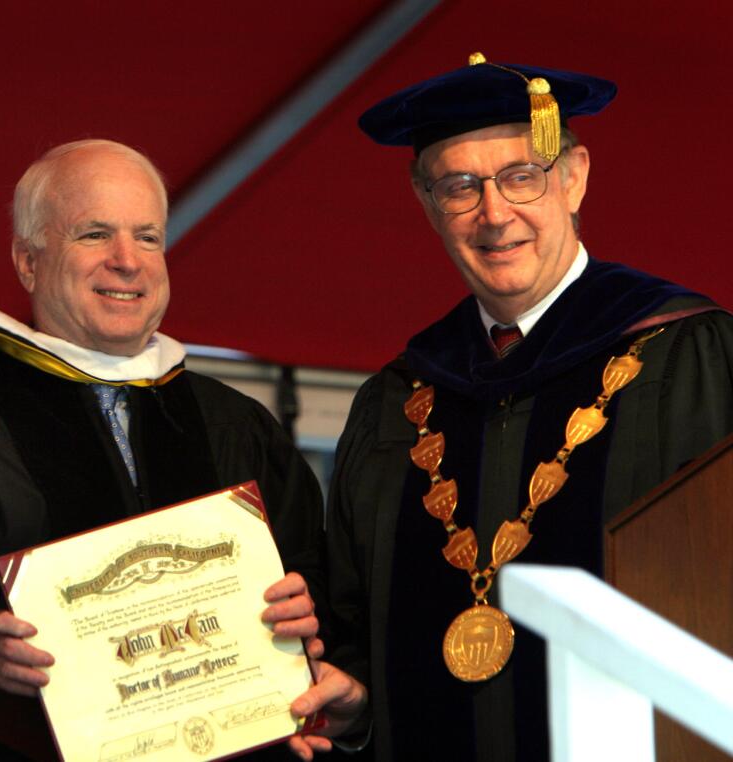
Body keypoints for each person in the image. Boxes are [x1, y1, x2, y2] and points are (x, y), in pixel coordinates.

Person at [0, 140, 363, 761]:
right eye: (95, 235)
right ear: (28, 262)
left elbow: (325, 590)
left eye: (148, 237)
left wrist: (300, 612)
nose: (128, 262)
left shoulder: (233, 424)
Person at [324, 53, 733, 761]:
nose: (494, 213)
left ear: (573, 178)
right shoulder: (397, 401)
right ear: (426, 203)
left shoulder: (688, 354)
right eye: (459, 186)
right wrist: (354, 703)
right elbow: (352, 627)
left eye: (521, 176)